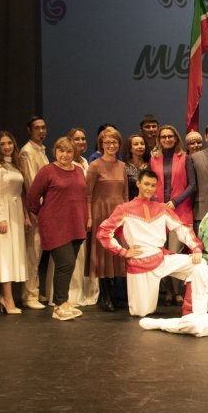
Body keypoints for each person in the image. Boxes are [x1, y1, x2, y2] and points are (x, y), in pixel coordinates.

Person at [97, 169, 208, 317]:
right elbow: (103, 233)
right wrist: (123, 251)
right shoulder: (124, 209)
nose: (149, 188)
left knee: (200, 265)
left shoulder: (162, 208)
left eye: (153, 185)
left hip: (161, 259)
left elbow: (181, 228)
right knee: (141, 313)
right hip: (140, 264)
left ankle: (194, 311)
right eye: (146, 184)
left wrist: (196, 248)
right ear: (138, 184)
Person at [25, 136, 87, 321]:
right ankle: (59, 306)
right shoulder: (47, 171)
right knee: (65, 263)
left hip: (76, 224)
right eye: (61, 150)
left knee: (68, 265)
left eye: (69, 151)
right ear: (55, 151)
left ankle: (64, 302)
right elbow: (32, 198)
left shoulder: (78, 170)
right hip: (55, 225)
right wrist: (43, 216)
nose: (65, 155)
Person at [150, 124, 196, 304]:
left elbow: (192, 185)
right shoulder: (154, 159)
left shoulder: (185, 157)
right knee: (161, 252)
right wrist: (157, 202)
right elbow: (150, 184)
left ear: (176, 138)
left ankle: (177, 292)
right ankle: (168, 291)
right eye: (163, 137)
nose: (167, 139)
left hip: (180, 211)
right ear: (159, 140)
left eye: (170, 136)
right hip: (158, 212)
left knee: (175, 253)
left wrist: (175, 202)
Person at [0, 131, 29, 314]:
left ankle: (6, 297)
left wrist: (25, 216)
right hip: (2, 213)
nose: (7, 147)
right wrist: (1, 218)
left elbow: (21, 193)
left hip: (16, 212)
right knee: (4, 254)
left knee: (14, 255)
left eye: (9, 143)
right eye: (3, 144)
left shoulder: (16, 165)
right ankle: (7, 298)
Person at [85, 127, 128, 311]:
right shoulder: (94, 166)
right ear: (101, 144)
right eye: (107, 142)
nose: (111, 145)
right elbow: (87, 194)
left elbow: (125, 194)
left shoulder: (122, 166)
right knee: (103, 254)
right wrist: (89, 217)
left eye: (114, 142)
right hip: (100, 213)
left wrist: (127, 216)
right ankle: (106, 296)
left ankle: (116, 296)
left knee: (118, 253)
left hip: (118, 214)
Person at [66, 127, 99, 307]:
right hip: (72, 211)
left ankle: (86, 291)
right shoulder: (68, 163)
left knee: (85, 252)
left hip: (86, 209)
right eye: (77, 139)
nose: (81, 142)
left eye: (83, 138)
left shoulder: (85, 161)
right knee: (74, 254)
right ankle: (71, 292)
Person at [19, 115, 49, 310]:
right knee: (33, 252)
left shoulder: (41, 150)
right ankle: (29, 294)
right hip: (35, 208)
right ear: (29, 130)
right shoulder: (27, 152)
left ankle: (34, 290)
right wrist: (34, 210)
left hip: (43, 207)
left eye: (43, 127)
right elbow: (31, 184)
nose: (41, 131)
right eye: (37, 128)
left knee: (38, 252)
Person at [123, 133, 149, 199]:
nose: (140, 146)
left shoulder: (150, 164)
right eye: (136, 144)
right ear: (130, 148)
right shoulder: (124, 166)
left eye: (142, 144)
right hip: (130, 201)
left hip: (149, 201)